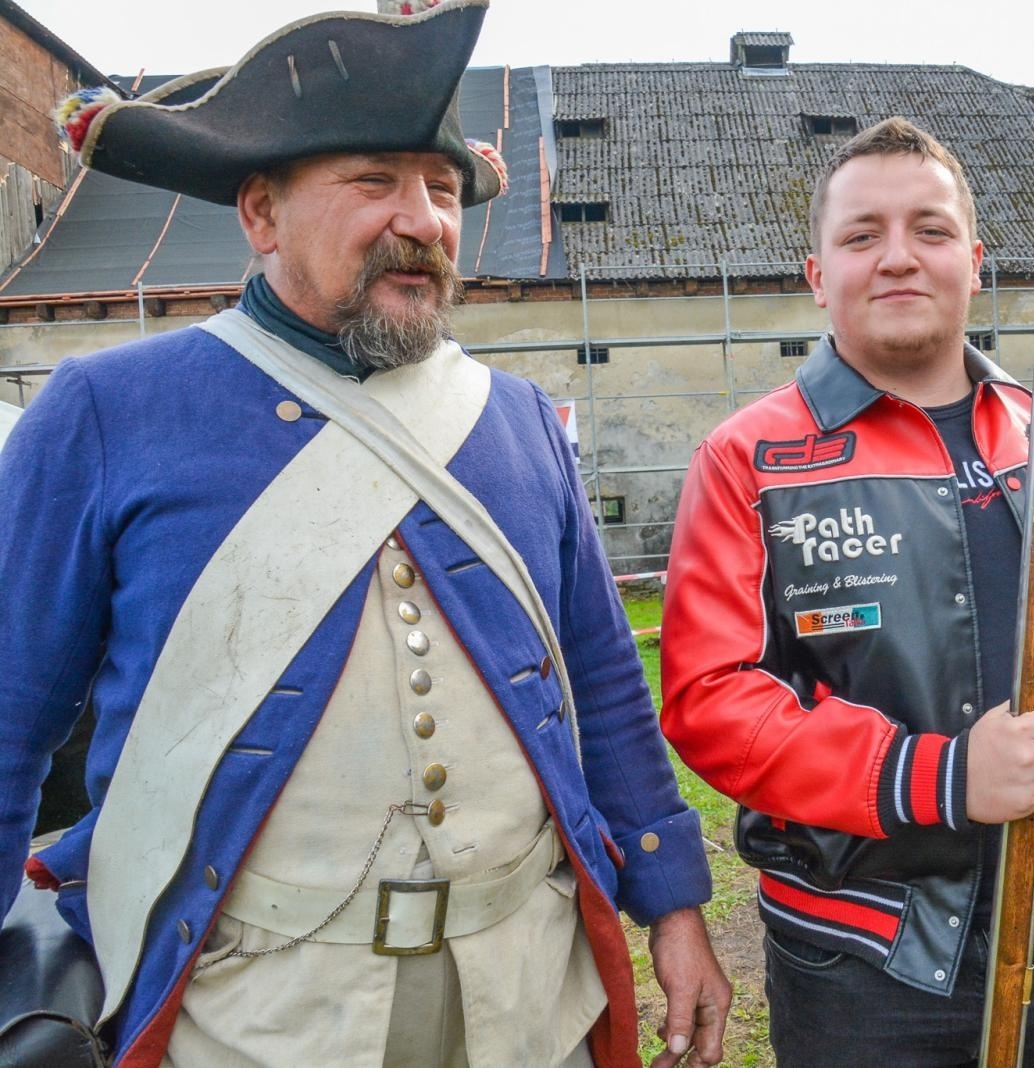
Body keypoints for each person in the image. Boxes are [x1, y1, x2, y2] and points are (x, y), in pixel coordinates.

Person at [0, 3, 730, 1066]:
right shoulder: (105, 411)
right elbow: (11, 713)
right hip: (250, 1012)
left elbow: (604, 683)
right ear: (260, 213)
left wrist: (674, 907)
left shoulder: (518, 419)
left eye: (440, 191)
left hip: (522, 995)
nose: (424, 219)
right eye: (375, 181)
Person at [659, 116, 1034, 1067]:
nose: (898, 258)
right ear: (818, 274)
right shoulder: (749, 459)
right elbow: (711, 697)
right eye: (863, 236)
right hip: (863, 959)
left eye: (931, 231)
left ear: (974, 261)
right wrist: (936, 777)